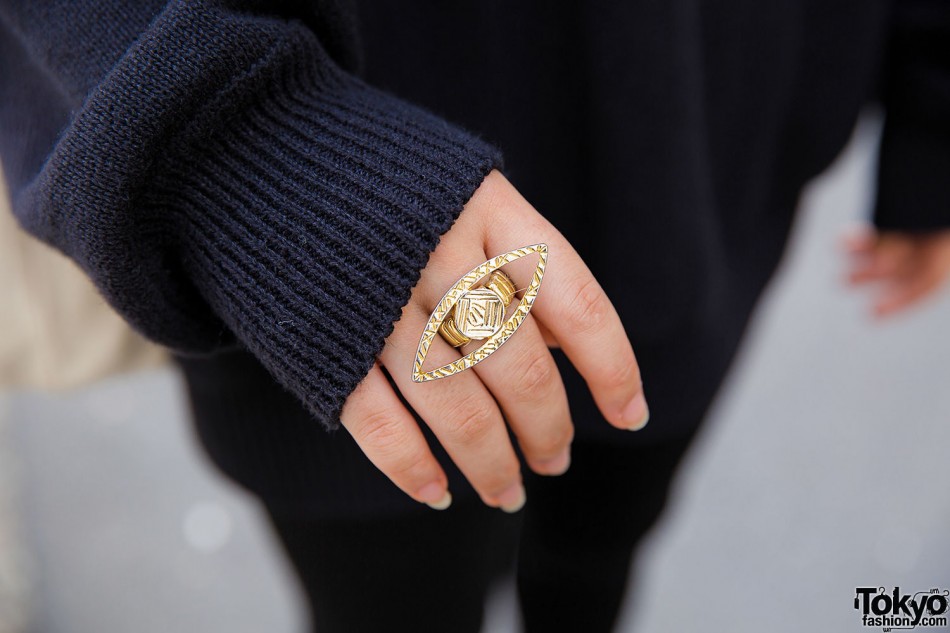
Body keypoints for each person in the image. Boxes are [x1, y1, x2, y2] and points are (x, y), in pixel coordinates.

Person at [2, 1, 949, 631]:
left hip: (714, 143)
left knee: (604, 544)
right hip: (328, 251)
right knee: (394, 603)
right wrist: (226, 125)